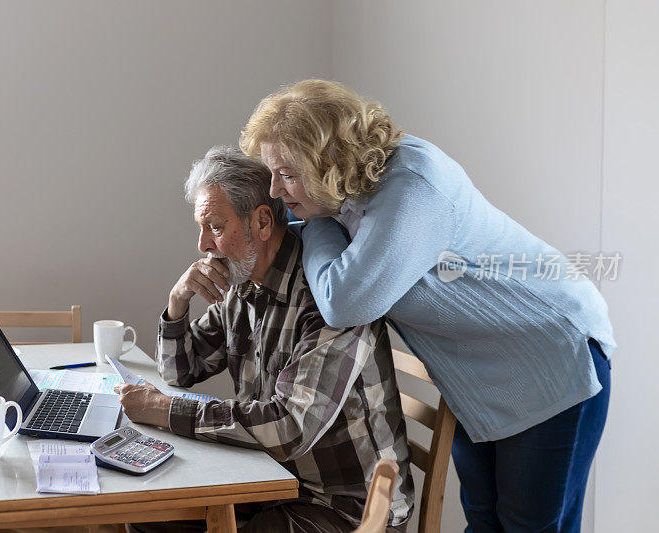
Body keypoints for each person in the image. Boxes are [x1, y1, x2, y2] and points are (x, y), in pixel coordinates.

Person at [239, 79, 615, 533]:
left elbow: (343, 301)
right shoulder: (343, 194)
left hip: (550, 357)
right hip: (478, 379)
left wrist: (315, 222)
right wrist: (316, 217)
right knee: (484, 520)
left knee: (530, 525)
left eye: (287, 173)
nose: (277, 190)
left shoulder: (413, 185)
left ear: (327, 161)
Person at [115, 146, 413, 532]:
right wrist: (177, 302)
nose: (203, 244)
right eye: (202, 228)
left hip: (345, 508)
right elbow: (180, 370)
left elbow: (289, 426)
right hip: (273, 483)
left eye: (216, 227)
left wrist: (163, 409)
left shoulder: (328, 299)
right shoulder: (244, 284)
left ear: (261, 221)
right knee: (149, 516)